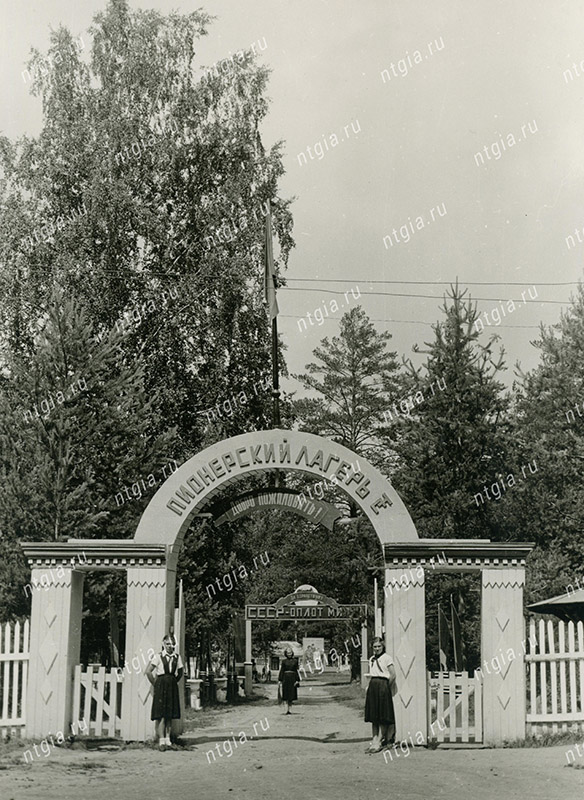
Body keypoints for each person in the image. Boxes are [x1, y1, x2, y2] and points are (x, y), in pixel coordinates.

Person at [146, 634, 184, 751]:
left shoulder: (177, 657)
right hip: (161, 685)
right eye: (167, 644)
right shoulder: (158, 657)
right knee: (161, 714)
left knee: (169, 714)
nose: (170, 646)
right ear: (163, 644)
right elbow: (148, 671)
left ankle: (168, 739)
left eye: (172, 644)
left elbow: (181, 672)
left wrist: (173, 681)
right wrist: (156, 684)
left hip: (171, 685)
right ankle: (161, 740)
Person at [364, 636, 396, 753]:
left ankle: (380, 741)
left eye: (379, 646)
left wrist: (387, 687)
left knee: (382, 715)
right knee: (373, 716)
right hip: (373, 685)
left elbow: (393, 674)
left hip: (383, 685)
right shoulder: (372, 659)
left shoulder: (387, 658)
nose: (377, 649)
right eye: (375, 647)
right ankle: (374, 741)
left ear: (383, 646)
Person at [278, 647, 300, 714]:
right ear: (286, 654)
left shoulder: (295, 661)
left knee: (291, 694)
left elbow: (296, 671)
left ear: (292, 653)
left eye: (290, 653)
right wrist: (280, 679)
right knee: (286, 694)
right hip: (286, 678)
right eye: (288, 653)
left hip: (292, 678)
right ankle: (287, 709)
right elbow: (282, 670)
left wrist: (297, 680)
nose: (289, 654)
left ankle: (290, 709)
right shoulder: (284, 661)